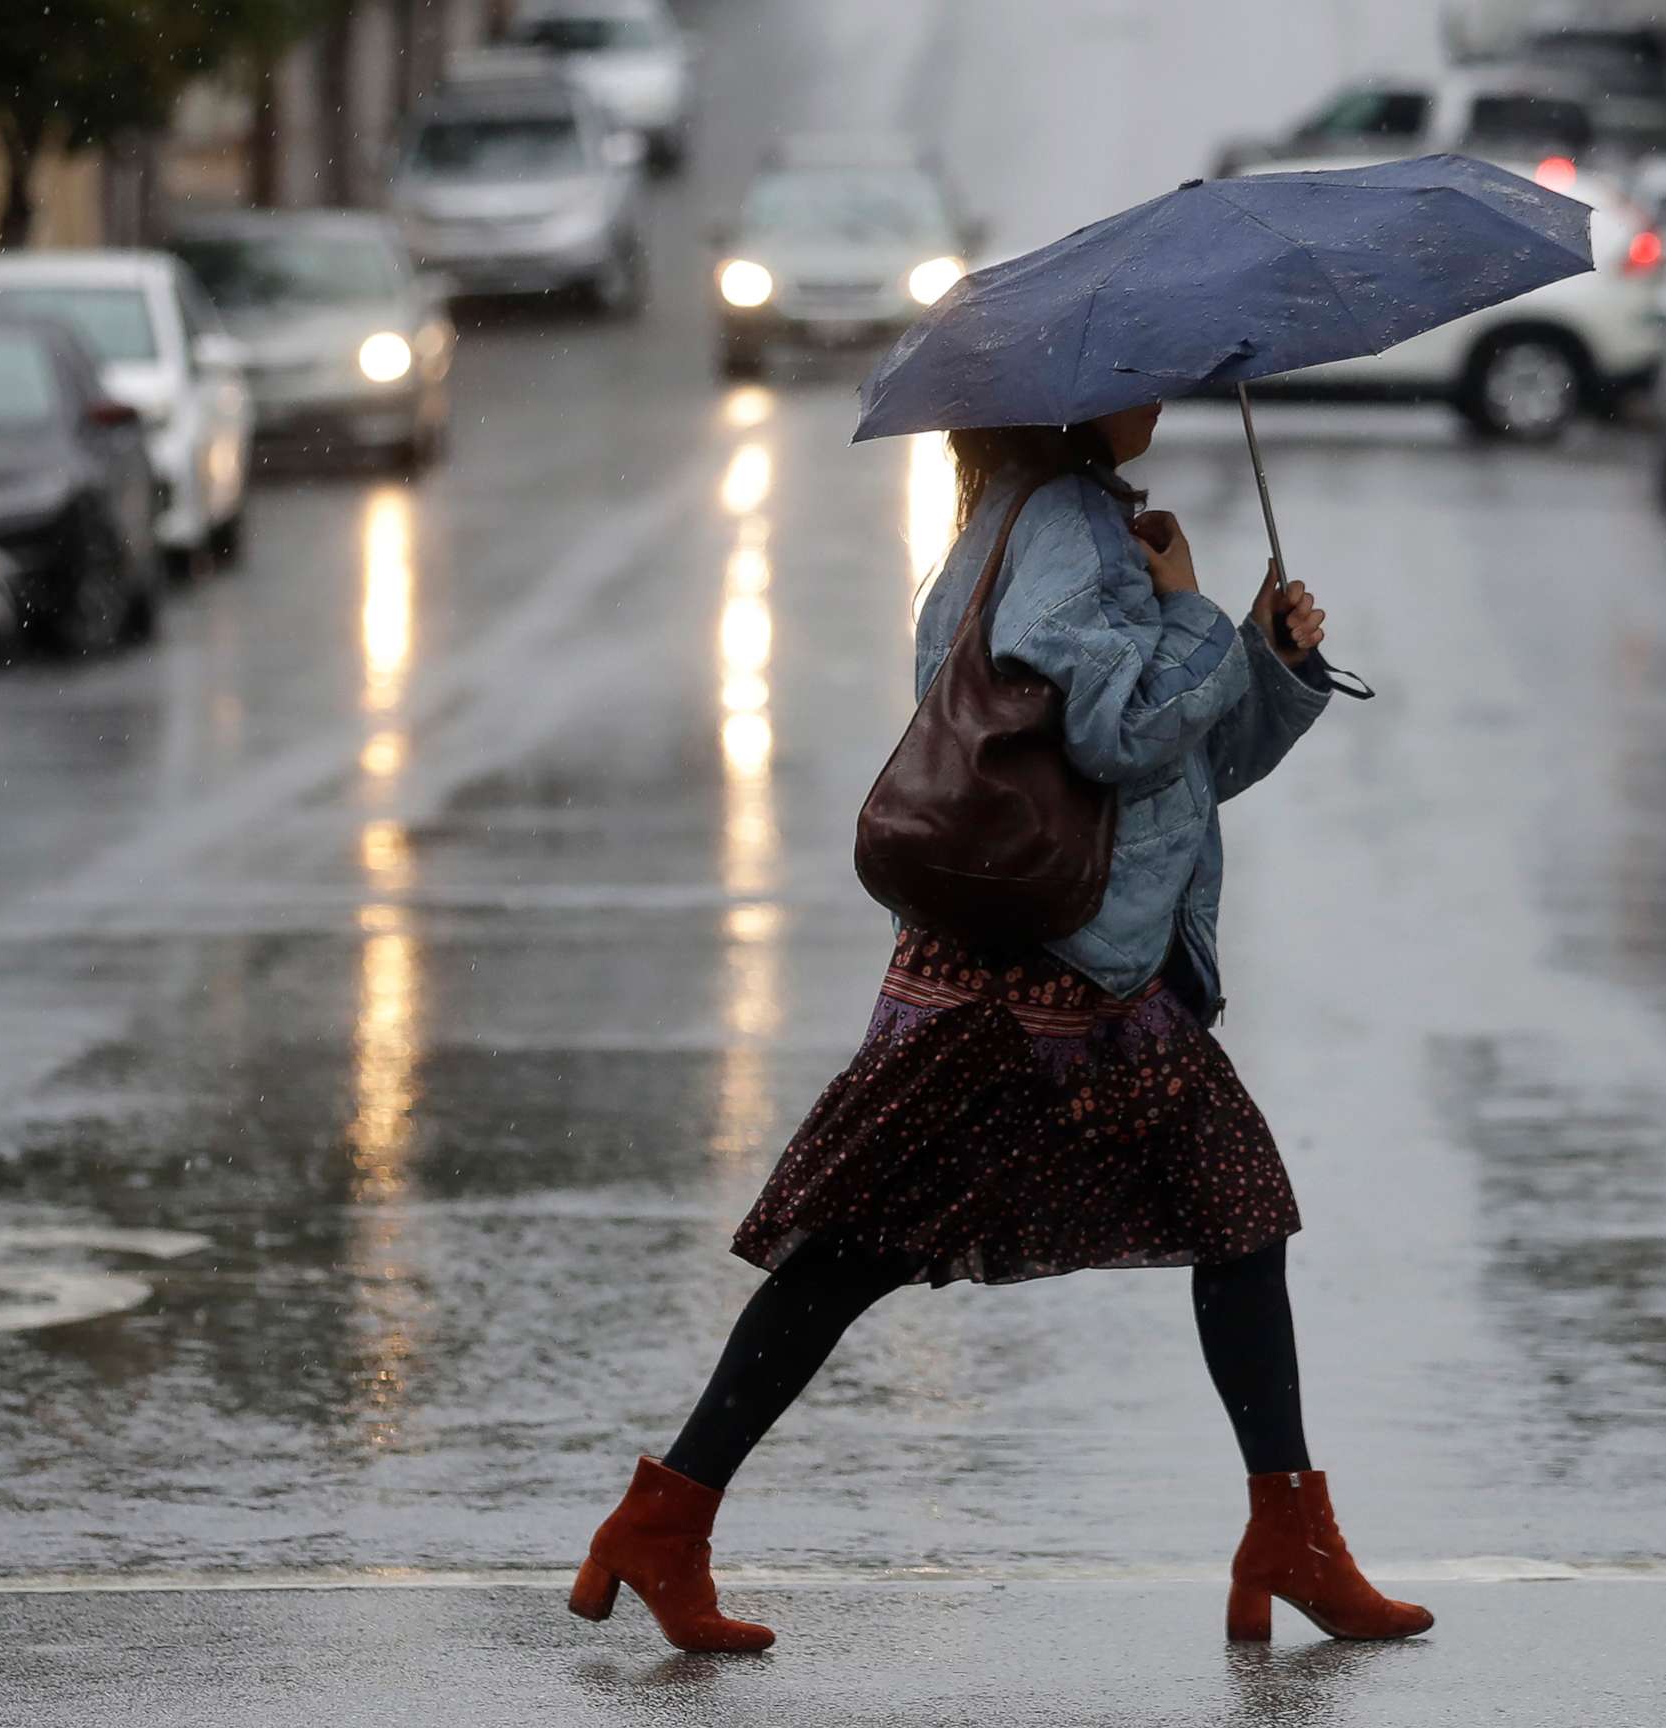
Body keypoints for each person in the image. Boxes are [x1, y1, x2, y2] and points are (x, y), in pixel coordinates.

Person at [566, 399, 1430, 1653]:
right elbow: (1116, 729)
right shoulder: (1070, 529)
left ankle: (667, 1519)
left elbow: (1170, 773)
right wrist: (1192, 615)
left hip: (1040, 967)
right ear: (1080, 404)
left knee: (893, 1247)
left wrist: (1262, 657)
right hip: (1056, 982)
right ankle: (1287, 1539)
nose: (1156, 400)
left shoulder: (1036, 524)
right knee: (1195, 1221)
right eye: (1137, 381)